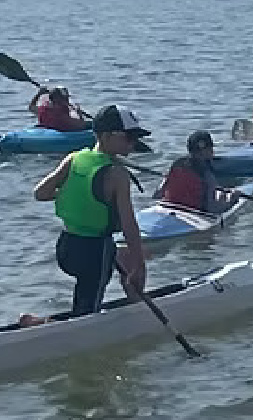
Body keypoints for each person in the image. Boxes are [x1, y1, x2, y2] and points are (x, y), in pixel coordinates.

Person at [30, 105, 149, 318]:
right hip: (94, 252)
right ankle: (49, 326)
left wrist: (78, 195)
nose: (133, 144)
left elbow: (41, 193)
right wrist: (139, 263)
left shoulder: (74, 158)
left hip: (66, 247)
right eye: (129, 137)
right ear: (106, 136)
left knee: (122, 256)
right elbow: (129, 224)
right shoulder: (117, 174)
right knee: (87, 310)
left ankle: (136, 308)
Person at [156, 130, 233, 215]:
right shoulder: (206, 174)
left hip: (168, 207)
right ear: (210, 150)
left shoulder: (177, 164)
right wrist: (233, 201)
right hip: (194, 213)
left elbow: (157, 195)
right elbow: (213, 209)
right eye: (210, 149)